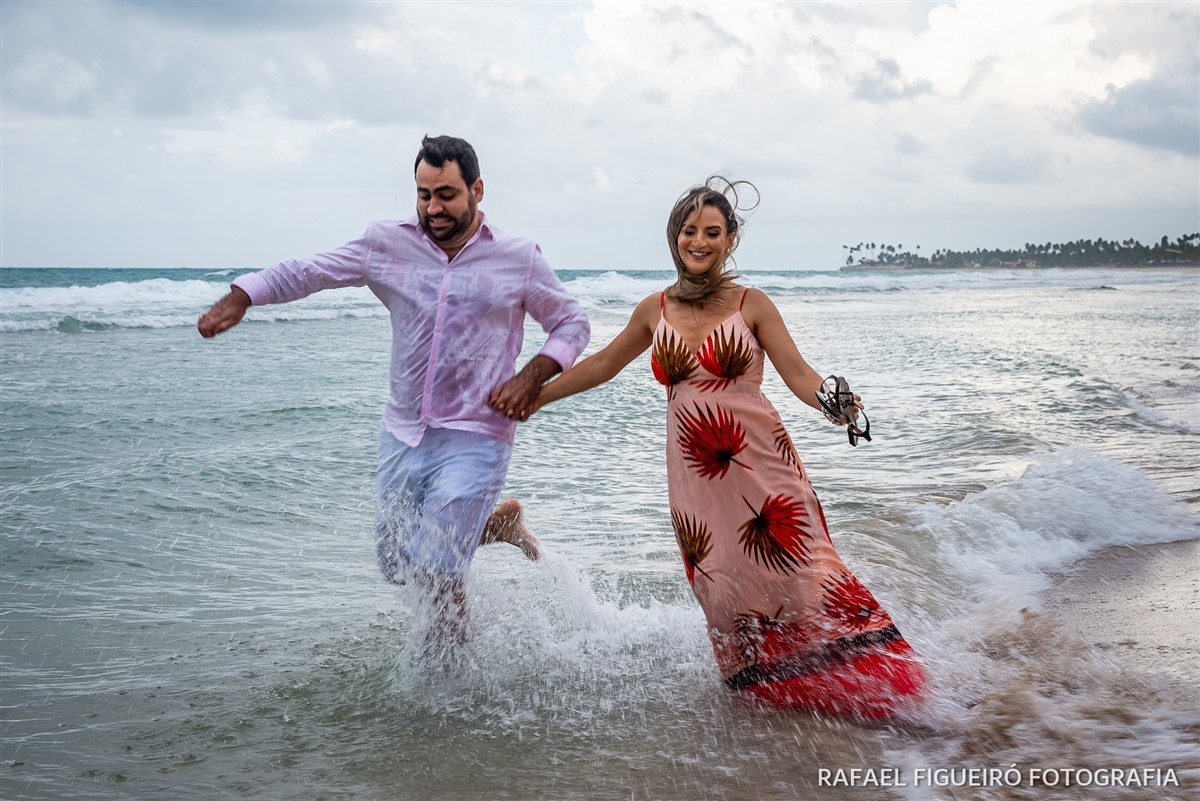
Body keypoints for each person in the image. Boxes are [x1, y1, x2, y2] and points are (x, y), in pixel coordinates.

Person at [525, 177, 926, 718]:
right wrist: (535, 398)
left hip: (762, 465)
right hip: (696, 480)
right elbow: (601, 364)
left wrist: (837, 404)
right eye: (689, 231)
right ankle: (772, 699)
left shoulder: (751, 304)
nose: (700, 241)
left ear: (730, 239)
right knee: (723, 589)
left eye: (712, 232)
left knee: (804, 571)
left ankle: (880, 689)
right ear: (675, 237)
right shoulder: (654, 309)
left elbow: (799, 373)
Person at [198, 135, 590, 648]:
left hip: (479, 432)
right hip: (403, 430)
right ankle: (495, 528)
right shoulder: (387, 244)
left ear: (477, 189)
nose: (433, 207)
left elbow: (571, 322)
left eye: (446, 194)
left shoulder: (517, 258)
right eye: (424, 194)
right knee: (396, 565)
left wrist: (533, 374)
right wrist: (244, 294)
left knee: (435, 572)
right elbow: (310, 271)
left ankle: (445, 691)